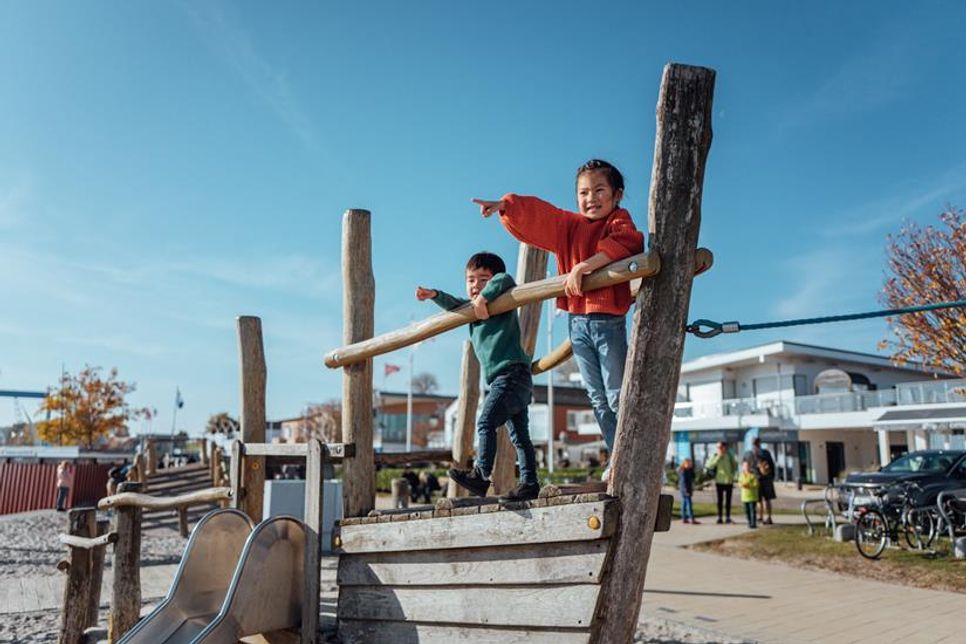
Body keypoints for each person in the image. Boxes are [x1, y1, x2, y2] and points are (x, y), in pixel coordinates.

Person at [473, 159, 644, 481]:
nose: (590, 198)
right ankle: (617, 459)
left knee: (616, 394)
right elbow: (542, 215)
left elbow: (628, 241)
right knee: (596, 397)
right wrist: (505, 206)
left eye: (599, 190)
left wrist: (584, 266)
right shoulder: (571, 226)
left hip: (608, 321)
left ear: (617, 194)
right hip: (577, 322)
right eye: (583, 192)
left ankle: (633, 456)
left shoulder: (619, 219)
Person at [418, 251, 539, 501]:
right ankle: (529, 482)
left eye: (483, 279)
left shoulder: (500, 299)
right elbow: (455, 304)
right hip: (507, 378)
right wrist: (434, 295)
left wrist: (484, 297)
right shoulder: (472, 307)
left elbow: (505, 278)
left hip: (512, 374)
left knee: (485, 423)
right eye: (471, 280)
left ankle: (481, 475)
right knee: (519, 436)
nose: (476, 285)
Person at [743, 437, 777, 525]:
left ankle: (760, 517)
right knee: (767, 499)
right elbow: (772, 465)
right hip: (767, 478)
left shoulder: (748, 454)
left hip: (756, 479)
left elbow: (745, 467)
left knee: (759, 500)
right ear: (760, 443)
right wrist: (772, 476)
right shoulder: (766, 452)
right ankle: (769, 517)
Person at [704, 442, 737, 524]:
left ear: (725, 447)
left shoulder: (729, 454)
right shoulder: (715, 455)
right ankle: (720, 517)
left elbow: (735, 465)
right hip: (719, 481)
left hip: (729, 481)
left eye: (721, 447)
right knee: (720, 500)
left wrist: (732, 475)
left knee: (728, 500)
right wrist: (718, 457)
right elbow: (709, 465)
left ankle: (728, 517)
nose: (719, 448)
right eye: (718, 447)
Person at [678, 458, 700, 524]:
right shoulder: (683, 471)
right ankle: (692, 519)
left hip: (686, 489)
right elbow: (684, 482)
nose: (689, 465)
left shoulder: (689, 471)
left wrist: (692, 470)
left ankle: (684, 518)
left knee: (684, 504)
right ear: (684, 464)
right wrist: (686, 491)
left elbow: (693, 477)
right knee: (689, 504)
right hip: (685, 490)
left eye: (690, 464)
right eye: (687, 464)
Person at [739, 460, 760, 529]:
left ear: (750, 467)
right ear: (742, 467)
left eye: (748, 466)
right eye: (745, 466)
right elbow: (739, 483)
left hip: (752, 497)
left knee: (752, 511)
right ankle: (749, 521)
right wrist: (742, 485)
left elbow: (756, 484)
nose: (746, 467)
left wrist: (749, 485)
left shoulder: (753, 475)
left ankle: (753, 523)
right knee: (746, 511)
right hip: (744, 497)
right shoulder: (741, 476)